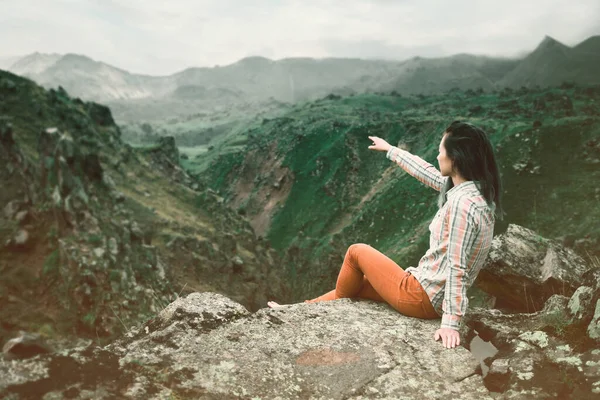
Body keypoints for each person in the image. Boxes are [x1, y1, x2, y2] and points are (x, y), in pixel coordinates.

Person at [268, 121, 503, 349]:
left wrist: (451, 324)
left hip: (423, 297)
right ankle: (296, 312)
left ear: (456, 158)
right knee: (358, 285)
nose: (437, 155)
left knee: (355, 252)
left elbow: (457, 267)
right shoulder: (475, 194)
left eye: (441, 150)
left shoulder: (461, 206)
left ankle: (309, 314)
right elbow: (429, 173)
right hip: (428, 293)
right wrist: (391, 150)